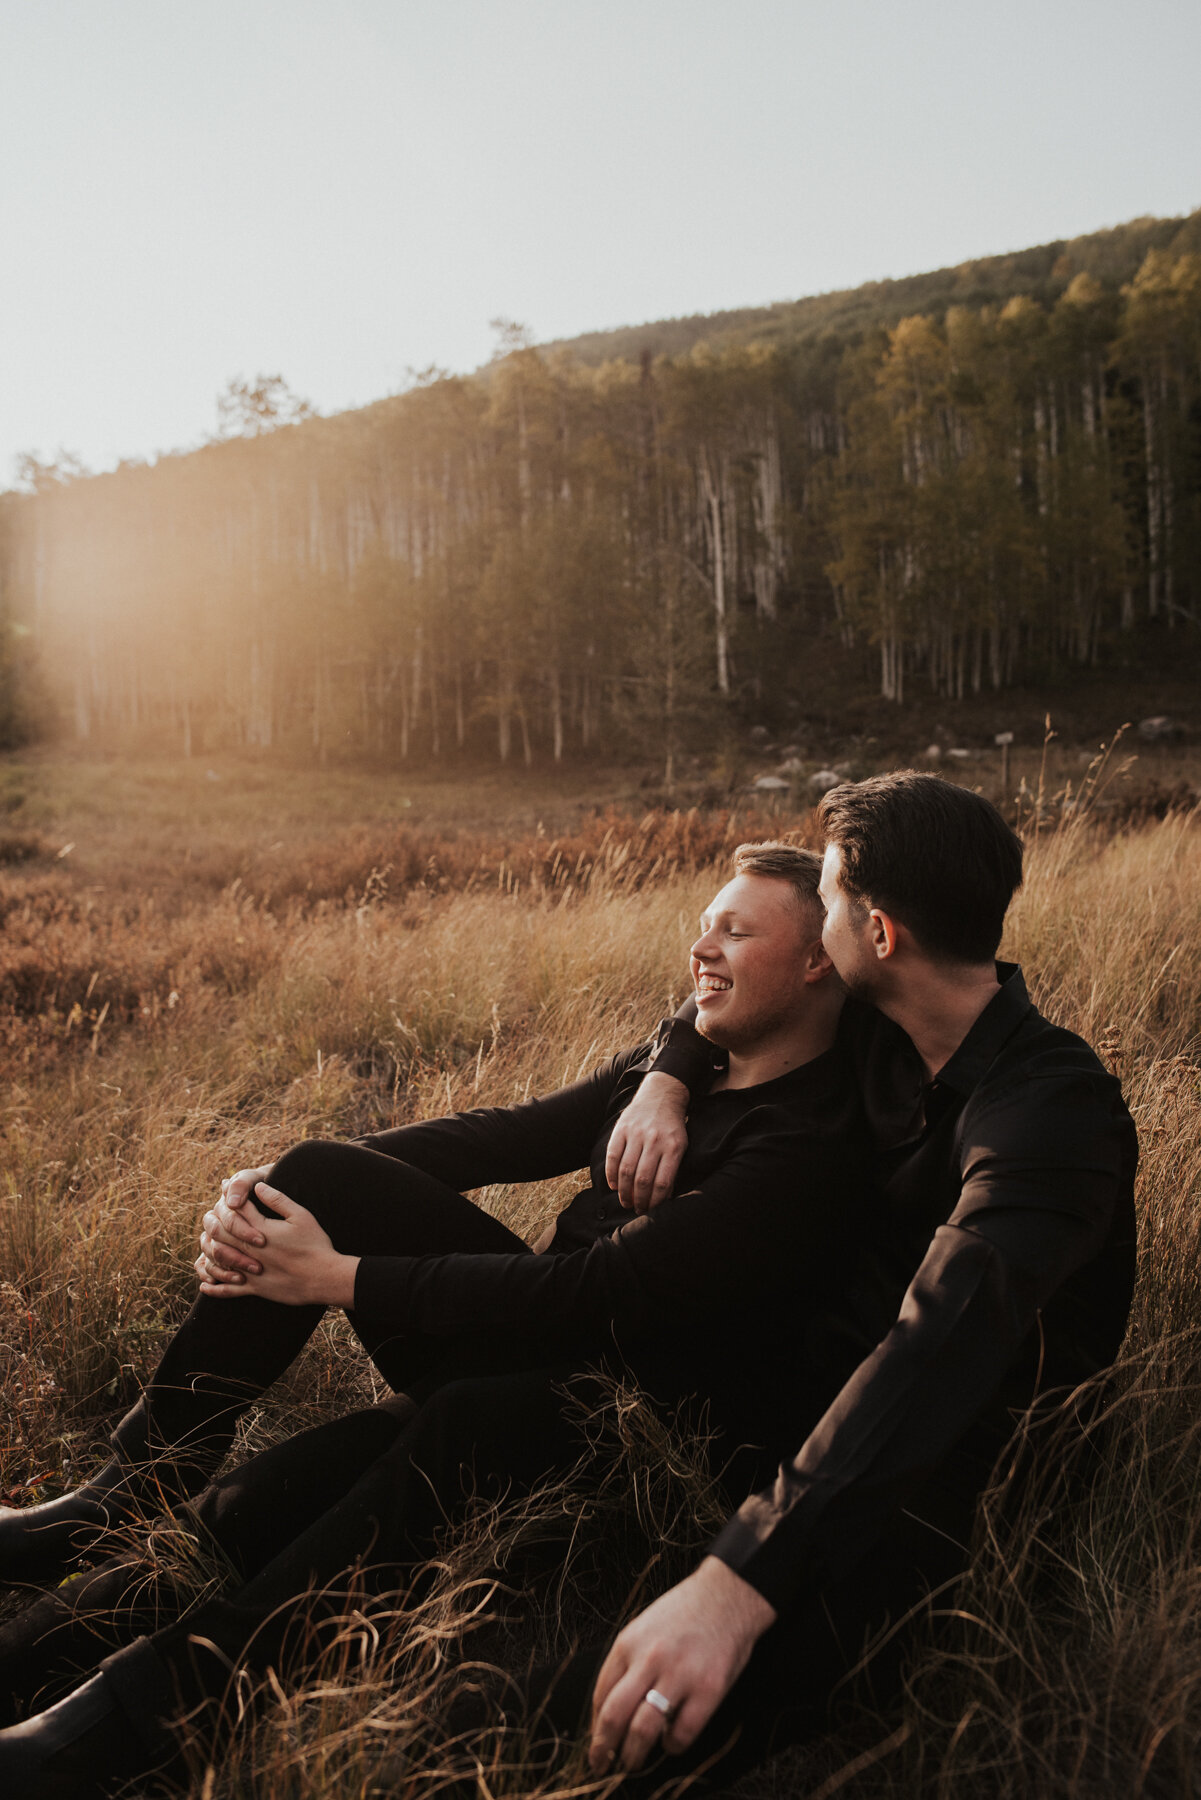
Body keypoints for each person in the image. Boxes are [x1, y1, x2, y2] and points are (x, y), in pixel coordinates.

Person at [0, 844, 877, 1795]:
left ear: (817, 959)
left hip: (622, 1420)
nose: (701, 948)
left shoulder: (803, 1151)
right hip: (525, 1345)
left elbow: (592, 1300)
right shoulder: (695, 1053)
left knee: (365, 1469)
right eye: (703, 923)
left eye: (735, 931)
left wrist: (341, 1278)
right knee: (321, 1182)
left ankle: (125, 1727)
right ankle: (118, 1504)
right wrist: (286, 1194)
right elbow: (510, 1133)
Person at [571, 772, 1138, 1789]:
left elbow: (939, 1347)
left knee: (636, 1723)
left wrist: (738, 1581)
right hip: (805, 1404)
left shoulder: (1052, 1111)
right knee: (496, 1415)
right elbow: (710, 1004)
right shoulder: (885, 1025)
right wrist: (664, 1079)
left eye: (825, 900)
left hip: (948, 1488)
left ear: (875, 935)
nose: (813, 923)